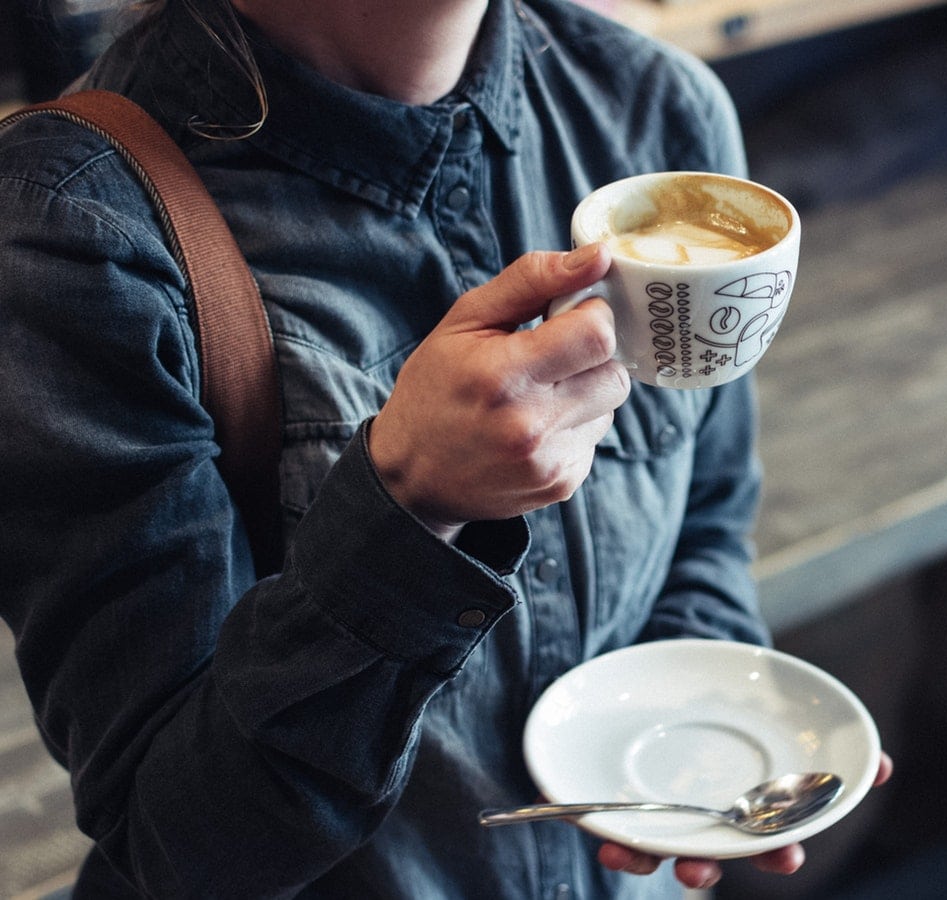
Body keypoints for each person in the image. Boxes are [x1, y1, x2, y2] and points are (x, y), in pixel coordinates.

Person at [0, 0, 889, 896]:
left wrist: (687, 757)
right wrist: (408, 507)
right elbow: (178, 848)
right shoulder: (70, 230)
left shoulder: (654, 108)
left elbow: (707, 517)